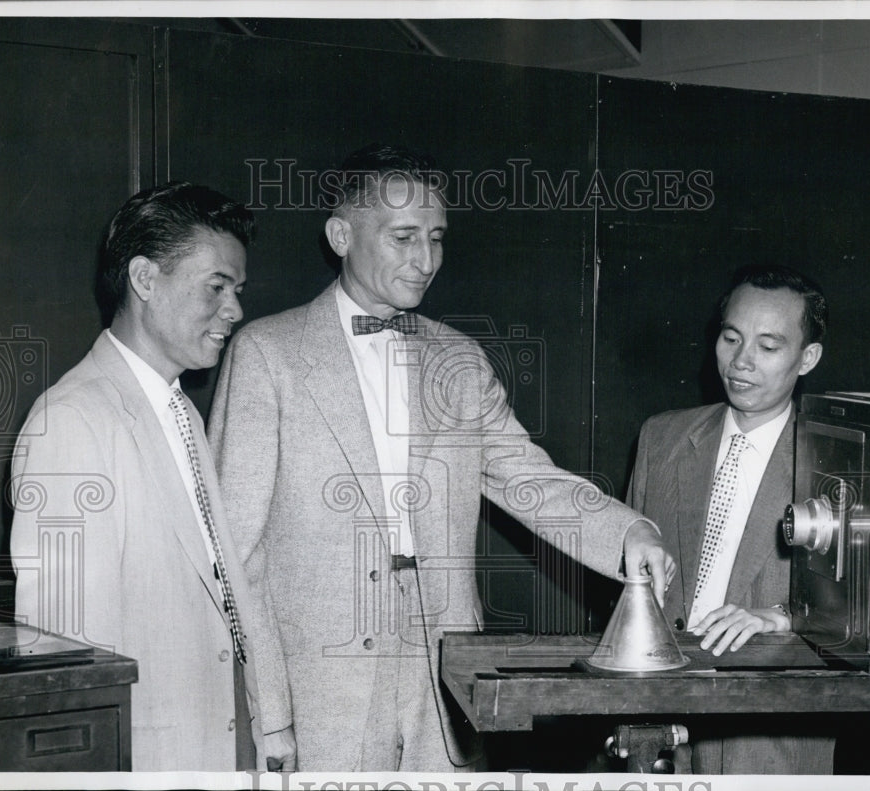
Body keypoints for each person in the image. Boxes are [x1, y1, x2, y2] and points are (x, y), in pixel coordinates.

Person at [208, 143, 675, 772]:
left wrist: (628, 531)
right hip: (321, 678)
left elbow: (527, 477)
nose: (425, 260)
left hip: (443, 664)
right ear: (341, 234)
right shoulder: (267, 353)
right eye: (403, 237)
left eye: (436, 237)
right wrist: (269, 710)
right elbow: (238, 553)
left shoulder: (458, 360)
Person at [9, 182, 296, 771]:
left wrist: (264, 727)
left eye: (237, 290)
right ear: (144, 279)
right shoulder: (72, 421)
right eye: (217, 286)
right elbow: (64, 661)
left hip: (221, 746)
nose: (236, 309)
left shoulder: (181, 408)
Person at [626, 263, 834, 773]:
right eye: (731, 338)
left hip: (769, 731)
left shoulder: (835, 461)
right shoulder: (661, 438)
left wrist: (779, 617)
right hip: (654, 721)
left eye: (768, 347)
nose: (741, 362)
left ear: (807, 358)